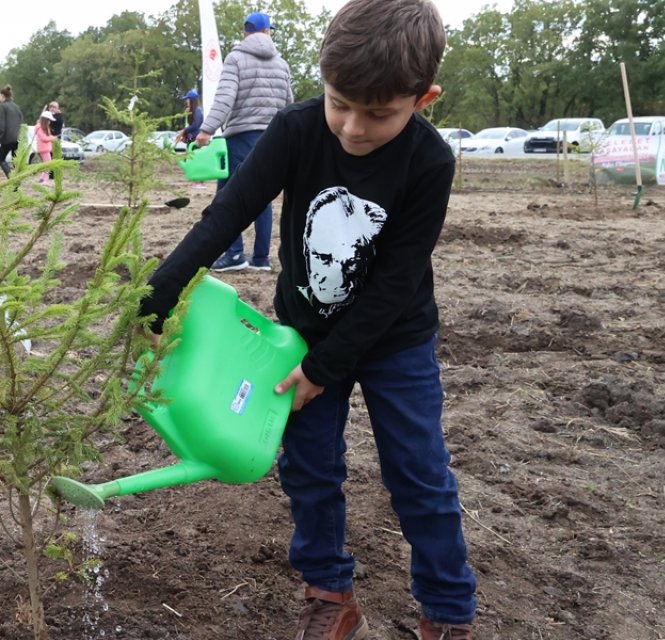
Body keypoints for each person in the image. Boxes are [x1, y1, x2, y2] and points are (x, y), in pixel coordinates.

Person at [138, 1, 476, 638]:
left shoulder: (429, 161)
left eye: (379, 114)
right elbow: (225, 215)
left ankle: (449, 611)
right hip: (298, 336)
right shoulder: (295, 130)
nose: (351, 127)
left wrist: (325, 367)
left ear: (423, 99)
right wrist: (159, 294)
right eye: (338, 102)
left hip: (394, 340)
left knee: (419, 472)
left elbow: (396, 282)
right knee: (308, 467)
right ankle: (330, 593)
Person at [195, 11, 293, 273]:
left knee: (226, 197)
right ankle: (261, 258)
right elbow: (289, 106)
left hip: (240, 139)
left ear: (245, 31)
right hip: (272, 139)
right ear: (268, 31)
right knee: (263, 198)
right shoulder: (282, 64)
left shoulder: (236, 59)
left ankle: (235, 253)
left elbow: (225, 99)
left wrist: (206, 130)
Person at [0, 84, 22, 178]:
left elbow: (1, 125)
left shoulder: (3, 107)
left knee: (1, 159)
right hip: (17, 137)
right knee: (16, 161)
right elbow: (21, 121)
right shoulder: (16, 107)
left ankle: (11, 177)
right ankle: (17, 180)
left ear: (2, 95)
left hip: (7, 138)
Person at [33, 110, 56, 184]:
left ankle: (42, 179)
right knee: (48, 165)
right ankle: (45, 181)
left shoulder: (44, 128)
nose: (50, 122)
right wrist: (52, 138)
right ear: (45, 120)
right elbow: (44, 138)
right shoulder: (40, 128)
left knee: (46, 165)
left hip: (45, 149)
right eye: (49, 120)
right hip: (44, 149)